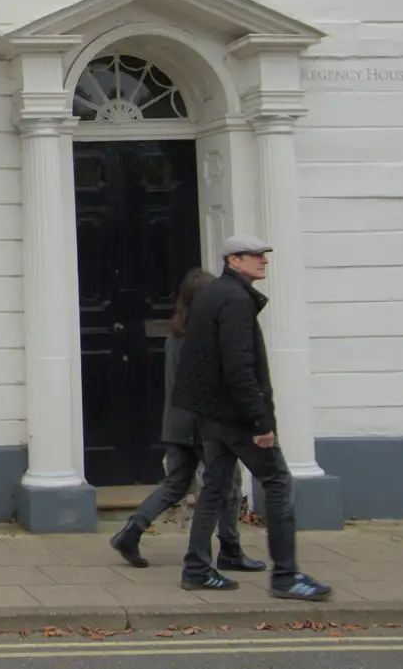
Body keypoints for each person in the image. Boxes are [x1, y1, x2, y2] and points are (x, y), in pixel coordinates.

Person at [172, 234, 332, 601]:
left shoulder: (211, 294)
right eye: (256, 256)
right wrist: (260, 423)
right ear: (234, 260)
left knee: (213, 486)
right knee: (277, 481)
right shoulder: (235, 299)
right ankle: (286, 576)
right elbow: (240, 366)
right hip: (236, 415)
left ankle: (196, 568)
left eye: (264, 255)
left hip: (212, 411)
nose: (264, 261)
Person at [108, 267, 264, 573]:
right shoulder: (205, 334)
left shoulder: (176, 332)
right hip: (204, 423)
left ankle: (131, 532)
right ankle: (230, 549)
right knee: (228, 485)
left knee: (175, 484)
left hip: (176, 421)